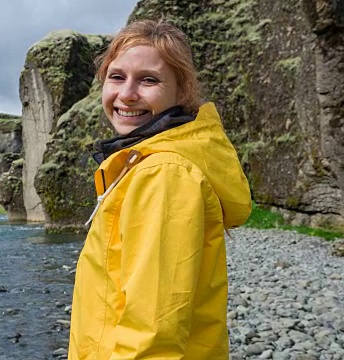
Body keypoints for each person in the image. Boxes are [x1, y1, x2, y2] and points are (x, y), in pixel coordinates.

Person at [68, 19, 252, 359]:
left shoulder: (164, 174)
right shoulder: (143, 164)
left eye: (148, 80)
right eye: (117, 76)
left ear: (181, 92)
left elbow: (153, 331)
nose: (126, 94)